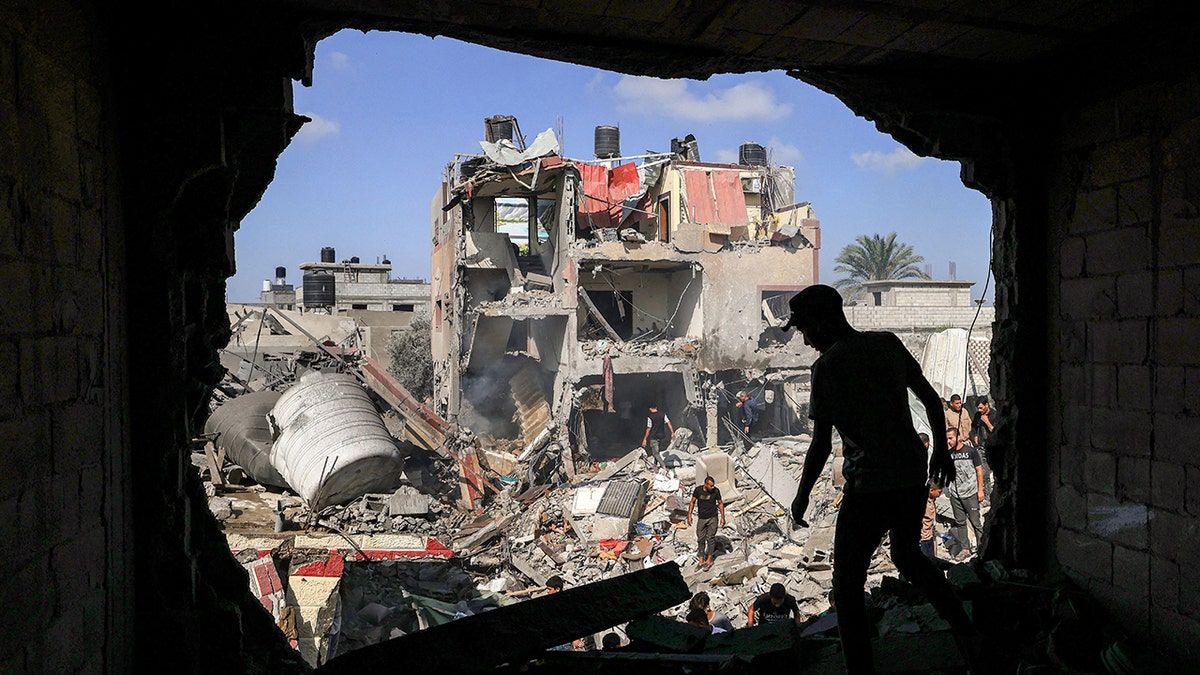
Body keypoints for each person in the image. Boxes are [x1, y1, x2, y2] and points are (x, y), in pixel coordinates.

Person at [783, 284, 980, 674]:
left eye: (805, 329)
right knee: (907, 556)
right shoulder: (886, 344)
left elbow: (821, 444)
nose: (805, 340)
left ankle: (860, 669)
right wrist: (939, 449)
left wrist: (801, 495)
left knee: (847, 584)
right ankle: (967, 633)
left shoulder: (827, 367)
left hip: (870, 485)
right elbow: (928, 397)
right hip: (910, 474)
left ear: (823, 322)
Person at [946, 427, 984, 561]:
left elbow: (979, 471)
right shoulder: (948, 454)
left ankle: (982, 547)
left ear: (958, 437)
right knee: (960, 522)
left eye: (950, 438)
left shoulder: (970, 452)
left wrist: (980, 490)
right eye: (947, 439)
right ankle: (965, 548)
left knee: (975, 522)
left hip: (971, 492)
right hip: (955, 494)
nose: (948, 441)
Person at [686, 476, 725, 568]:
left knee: (710, 538)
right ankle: (701, 559)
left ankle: (710, 559)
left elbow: (720, 503)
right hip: (702, 518)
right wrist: (689, 515)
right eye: (711, 486)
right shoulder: (698, 490)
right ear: (705, 484)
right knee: (700, 539)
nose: (712, 487)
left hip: (713, 517)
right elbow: (692, 502)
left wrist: (723, 517)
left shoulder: (716, 491)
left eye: (713, 486)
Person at [972, 397, 998, 498]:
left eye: (981, 408)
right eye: (978, 408)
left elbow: (995, 431)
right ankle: (987, 497)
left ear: (987, 405)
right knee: (984, 473)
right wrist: (974, 436)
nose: (979, 410)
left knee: (995, 473)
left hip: (992, 448)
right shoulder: (978, 415)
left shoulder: (994, 415)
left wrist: (987, 422)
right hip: (981, 447)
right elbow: (973, 427)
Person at [640, 403, 674, 467]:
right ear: (656, 407)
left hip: (654, 437)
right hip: (661, 436)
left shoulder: (650, 417)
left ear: (650, 409)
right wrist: (672, 432)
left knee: (655, 453)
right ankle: (655, 466)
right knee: (657, 451)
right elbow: (668, 422)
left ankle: (664, 467)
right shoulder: (663, 414)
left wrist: (645, 439)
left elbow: (648, 429)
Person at [921, 482, 943, 561]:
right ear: (931, 490)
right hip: (922, 539)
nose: (941, 494)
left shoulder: (932, 499)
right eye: (939, 492)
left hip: (930, 536)